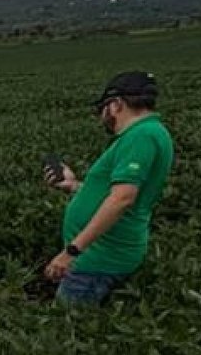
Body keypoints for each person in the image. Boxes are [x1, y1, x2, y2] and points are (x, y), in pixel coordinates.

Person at [41, 70, 174, 304]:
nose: (102, 116)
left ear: (116, 104)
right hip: (100, 257)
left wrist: (71, 252)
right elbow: (115, 193)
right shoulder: (147, 134)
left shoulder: (141, 135)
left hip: (97, 262)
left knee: (67, 332)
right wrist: (73, 185)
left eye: (102, 109)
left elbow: (123, 199)